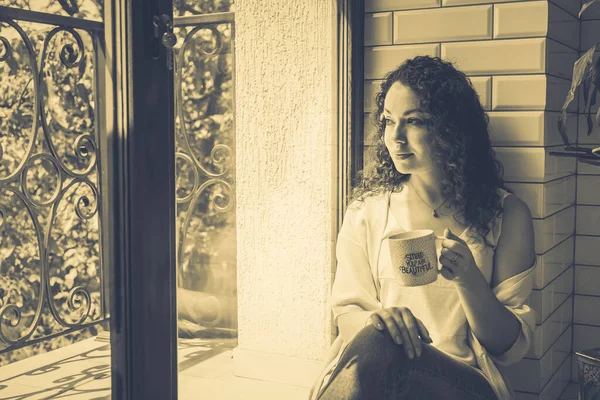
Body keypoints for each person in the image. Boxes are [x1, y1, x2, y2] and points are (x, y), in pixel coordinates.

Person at [309, 56, 537, 400]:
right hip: (376, 374)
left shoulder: (505, 214)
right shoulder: (367, 211)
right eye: (388, 121)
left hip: (461, 380)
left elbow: (509, 348)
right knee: (377, 336)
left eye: (414, 121)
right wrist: (381, 324)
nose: (395, 138)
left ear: (452, 129)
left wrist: (469, 279)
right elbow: (347, 315)